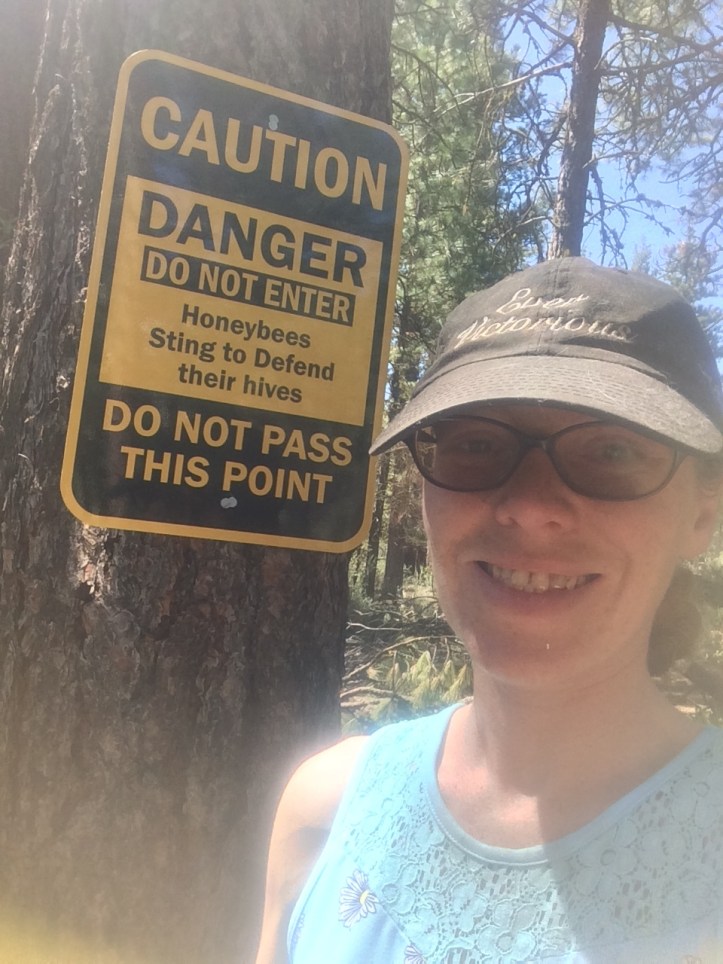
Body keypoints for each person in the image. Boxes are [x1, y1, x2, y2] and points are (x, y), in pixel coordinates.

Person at [254, 257, 723, 963]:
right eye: (477, 444)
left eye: (612, 450)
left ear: (702, 511)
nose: (530, 507)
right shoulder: (325, 808)